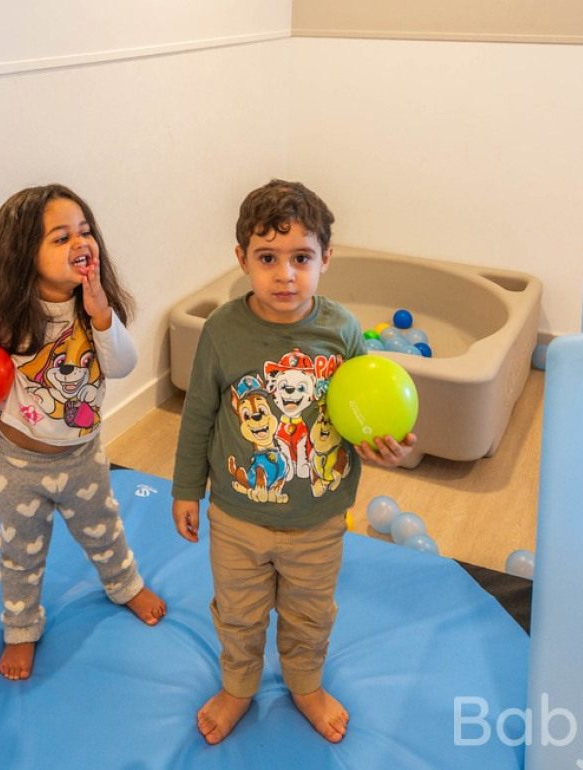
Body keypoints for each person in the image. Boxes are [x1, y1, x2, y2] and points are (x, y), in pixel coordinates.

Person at [171, 179, 416, 745]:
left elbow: (362, 412)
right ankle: (238, 686)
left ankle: (305, 684)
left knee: (310, 614)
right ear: (242, 260)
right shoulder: (223, 331)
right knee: (237, 613)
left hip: (318, 519)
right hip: (237, 517)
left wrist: (391, 446)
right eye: (268, 258)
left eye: (301, 258)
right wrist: (187, 489)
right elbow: (199, 415)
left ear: (325, 259)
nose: (285, 274)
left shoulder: (342, 330)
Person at [0, 183, 166, 681]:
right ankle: (20, 627)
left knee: (102, 528)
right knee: (20, 551)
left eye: (85, 232)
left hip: (81, 455)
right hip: (17, 462)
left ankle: (124, 583)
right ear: (24, 256)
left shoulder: (94, 309)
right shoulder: (3, 317)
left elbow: (123, 364)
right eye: (60, 238)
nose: (79, 243)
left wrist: (101, 310)